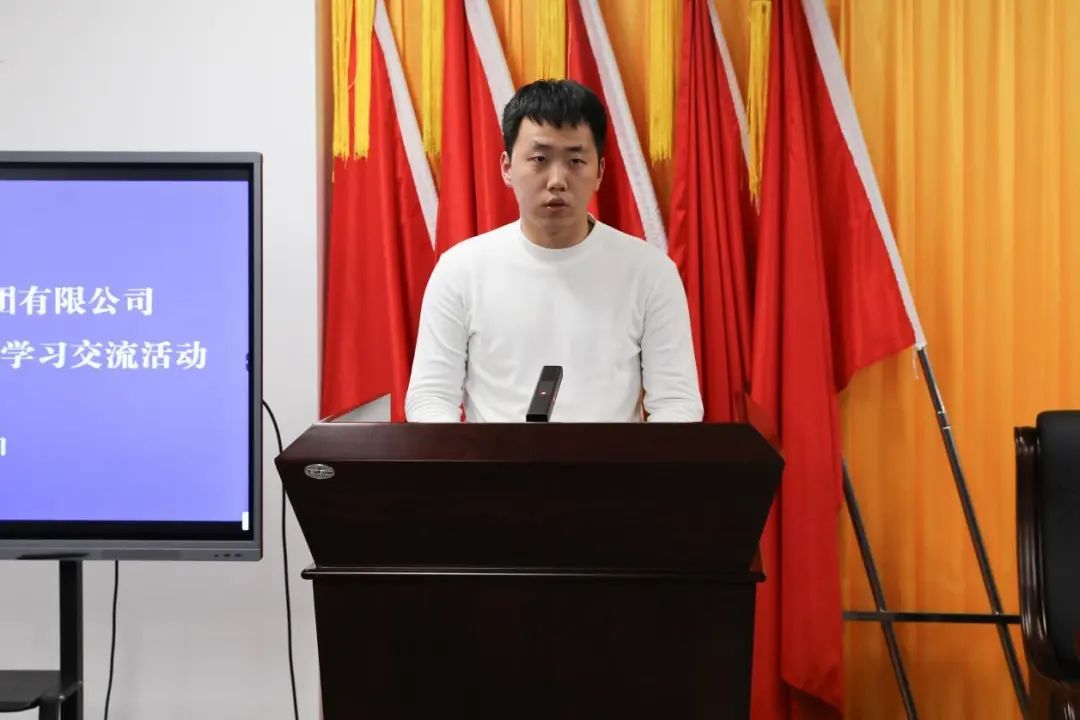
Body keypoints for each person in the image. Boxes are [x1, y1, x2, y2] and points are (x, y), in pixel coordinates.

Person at [405, 79, 703, 423]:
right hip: (492, 459)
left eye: (575, 160)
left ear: (599, 172)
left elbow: (676, 402)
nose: (557, 180)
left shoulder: (650, 272)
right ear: (507, 167)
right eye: (539, 159)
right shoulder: (460, 270)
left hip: (613, 459)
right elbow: (431, 397)